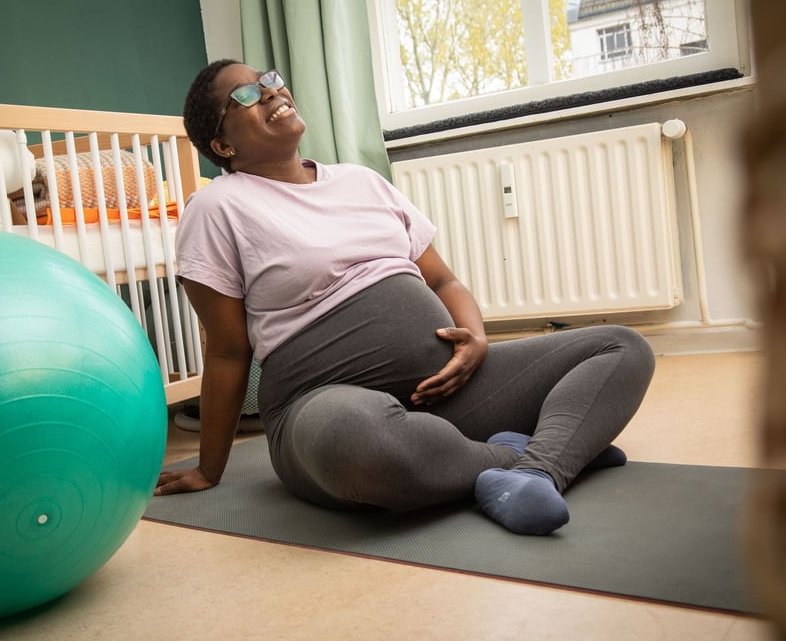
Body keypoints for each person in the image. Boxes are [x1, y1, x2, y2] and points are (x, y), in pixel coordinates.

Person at [153, 59, 656, 536]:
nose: (270, 90)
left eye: (269, 79)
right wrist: (209, 468)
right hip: (323, 404)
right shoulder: (217, 206)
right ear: (222, 144)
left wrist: (476, 339)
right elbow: (226, 349)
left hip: (447, 393)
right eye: (245, 94)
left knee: (620, 348)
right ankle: (545, 457)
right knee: (354, 441)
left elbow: (443, 282)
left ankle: (530, 467)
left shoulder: (361, 180)